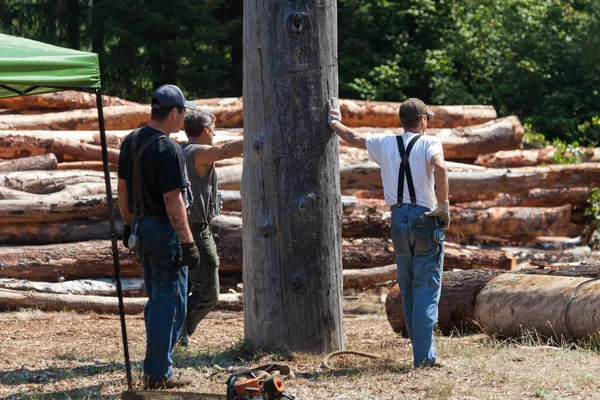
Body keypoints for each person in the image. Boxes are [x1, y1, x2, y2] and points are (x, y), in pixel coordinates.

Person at [328, 97, 449, 367]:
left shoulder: (385, 143)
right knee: (426, 287)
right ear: (422, 120)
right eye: (426, 118)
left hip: (398, 219)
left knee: (407, 287)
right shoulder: (430, 143)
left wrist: (334, 122)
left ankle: (421, 353)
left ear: (401, 121)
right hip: (424, 219)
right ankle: (424, 357)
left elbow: (353, 137)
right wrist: (444, 205)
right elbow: (440, 167)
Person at [117, 84, 200, 389]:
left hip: (141, 228)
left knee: (160, 298)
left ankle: (158, 364)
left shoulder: (131, 141)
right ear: (174, 112)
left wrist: (128, 225)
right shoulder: (169, 149)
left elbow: (122, 189)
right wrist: (189, 242)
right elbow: (173, 201)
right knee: (169, 301)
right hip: (164, 232)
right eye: (183, 112)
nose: (184, 117)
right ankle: (158, 373)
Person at [178, 109, 244, 347]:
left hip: (184, 227)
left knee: (184, 288)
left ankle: (174, 334)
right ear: (205, 130)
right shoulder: (198, 151)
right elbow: (225, 151)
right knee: (208, 293)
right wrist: (256, 136)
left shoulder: (181, 150)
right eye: (214, 130)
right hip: (196, 230)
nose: (214, 134)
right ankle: (178, 332)